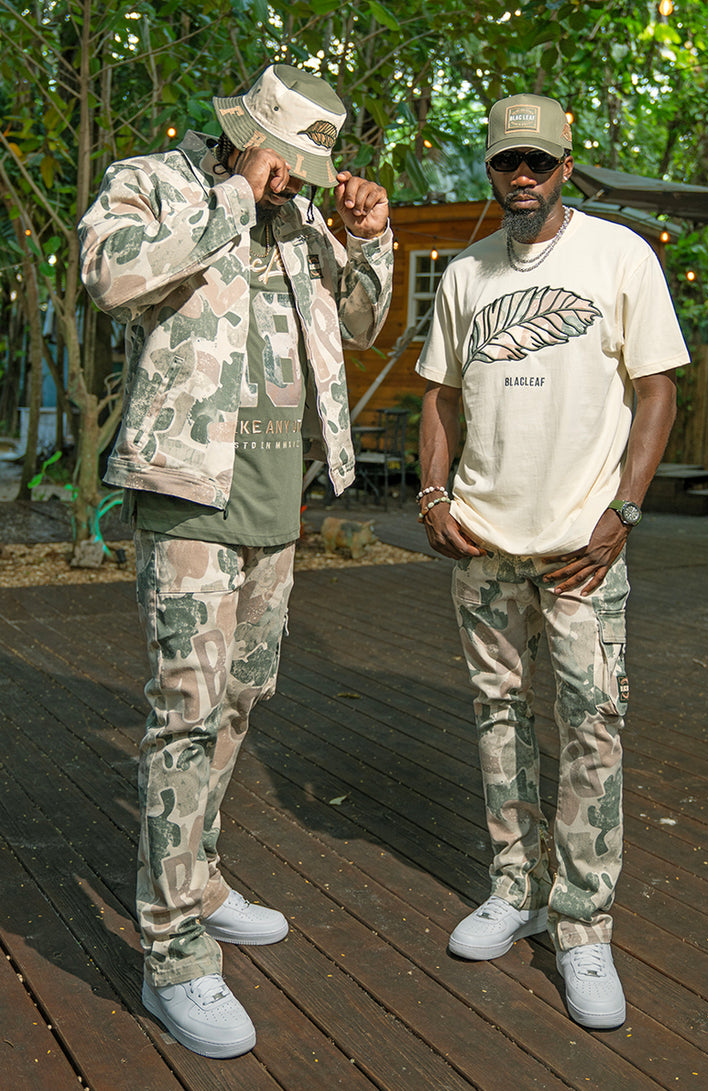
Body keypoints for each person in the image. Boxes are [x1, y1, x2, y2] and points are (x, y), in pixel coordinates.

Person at [79, 63, 392, 1059]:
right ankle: (172, 951)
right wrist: (234, 196)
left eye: (306, 166)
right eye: (284, 158)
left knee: (240, 699)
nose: (293, 178)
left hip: (273, 505)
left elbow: (362, 321)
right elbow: (108, 276)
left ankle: (201, 879)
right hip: (188, 498)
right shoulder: (155, 183)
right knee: (185, 712)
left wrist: (371, 235)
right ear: (248, 135)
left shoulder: (302, 221)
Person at [416, 93, 688, 1030]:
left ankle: (583, 923)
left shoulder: (621, 256)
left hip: (582, 549)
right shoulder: (465, 274)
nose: (523, 176)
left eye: (539, 160)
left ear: (567, 166)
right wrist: (433, 494)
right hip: (484, 545)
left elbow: (657, 390)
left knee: (591, 726)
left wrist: (625, 512)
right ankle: (514, 887)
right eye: (508, 161)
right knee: (497, 714)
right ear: (491, 169)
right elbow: (440, 394)